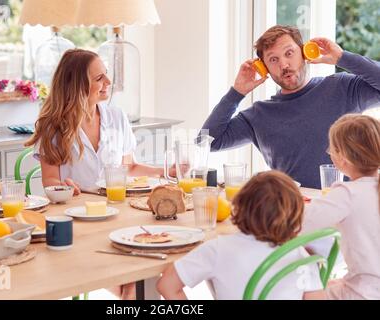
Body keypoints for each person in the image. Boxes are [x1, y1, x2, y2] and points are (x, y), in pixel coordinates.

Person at [201, 25, 380, 188]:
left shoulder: (342, 87)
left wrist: (342, 58)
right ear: (265, 69)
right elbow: (207, 142)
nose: (284, 65)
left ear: (304, 53)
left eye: (289, 53)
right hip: (291, 212)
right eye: (273, 60)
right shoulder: (259, 115)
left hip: (348, 208)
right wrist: (236, 92)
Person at [25, 49, 172, 195]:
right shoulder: (52, 126)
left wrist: (165, 172)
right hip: (75, 209)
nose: (108, 82)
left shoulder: (117, 117)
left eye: (106, 74)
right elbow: (50, 179)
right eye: (99, 78)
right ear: (77, 86)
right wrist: (63, 187)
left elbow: (130, 167)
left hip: (115, 205)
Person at [157, 170, 323, 300]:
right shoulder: (300, 255)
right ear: (295, 214)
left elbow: (167, 285)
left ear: (239, 205)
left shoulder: (218, 249)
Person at [301, 114, 380, 300]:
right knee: (329, 283)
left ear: (342, 158)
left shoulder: (347, 193)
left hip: (363, 294)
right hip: (368, 288)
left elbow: (299, 224)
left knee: (297, 289)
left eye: (331, 150)